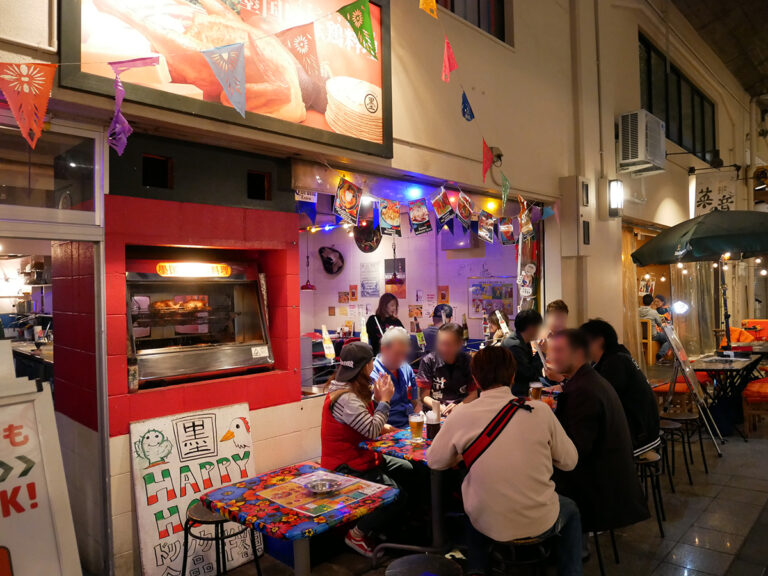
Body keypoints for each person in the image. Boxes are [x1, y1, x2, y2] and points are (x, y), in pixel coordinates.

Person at [427, 346, 582, 576]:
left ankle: (477, 568)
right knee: (571, 509)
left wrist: (461, 453)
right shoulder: (540, 411)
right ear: (512, 376)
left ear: (476, 379)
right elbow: (570, 462)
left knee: (474, 501)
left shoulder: (460, 415)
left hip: (486, 521)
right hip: (539, 521)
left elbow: (434, 461)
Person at [547, 329, 649, 534]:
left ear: (578, 354)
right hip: (605, 475)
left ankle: (567, 542)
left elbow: (575, 452)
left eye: (558, 351)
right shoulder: (587, 380)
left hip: (599, 487)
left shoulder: (584, 390)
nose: (552, 357)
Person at [320, 342, 414, 557]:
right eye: (371, 361)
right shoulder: (346, 397)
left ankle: (387, 527)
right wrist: (385, 401)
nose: (374, 364)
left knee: (408, 469)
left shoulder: (350, 388)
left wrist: (385, 425)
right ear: (364, 366)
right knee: (396, 494)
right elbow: (371, 430)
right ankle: (357, 534)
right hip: (344, 465)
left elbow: (364, 424)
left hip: (362, 457)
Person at [580, 319, 660, 454]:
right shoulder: (609, 358)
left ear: (599, 341)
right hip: (637, 425)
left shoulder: (616, 362)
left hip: (638, 432)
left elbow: (600, 399)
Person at [417, 323, 477, 416]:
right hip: (435, 413)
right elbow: (424, 396)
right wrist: (443, 409)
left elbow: (474, 393)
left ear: (460, 344)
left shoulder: (468, 361)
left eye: (448, 344)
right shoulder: (428, 361)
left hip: (462, 411)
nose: (443, 348)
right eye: (440, 343)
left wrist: (459, 406)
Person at [370, 327, 420, 428]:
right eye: (397, 353)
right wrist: (398, 432)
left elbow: (415, 403)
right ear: (384, 349)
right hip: (389, 429)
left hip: (410, 425)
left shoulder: (407, 368)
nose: (401, 359)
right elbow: (369, 422)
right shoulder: (372, 374)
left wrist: (421, 415)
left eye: (404, 354)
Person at [501, 309, 544, 396]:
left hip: (522, 385)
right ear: (531, 328)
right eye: (538, 327)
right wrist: (541, 352)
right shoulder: (514, 346)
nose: (539, 331)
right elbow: (529, 374)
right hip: (515, 391)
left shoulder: (523, 340)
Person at [639, 293, 670, 363]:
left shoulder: (636, 311)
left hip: (640, 335)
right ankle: (660, 355)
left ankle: (661, 356)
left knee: (662, 337)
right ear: (651, 302)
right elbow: (660, 325)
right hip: (652, 336)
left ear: (642, 302)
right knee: (669, 338)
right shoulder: (654, 312)